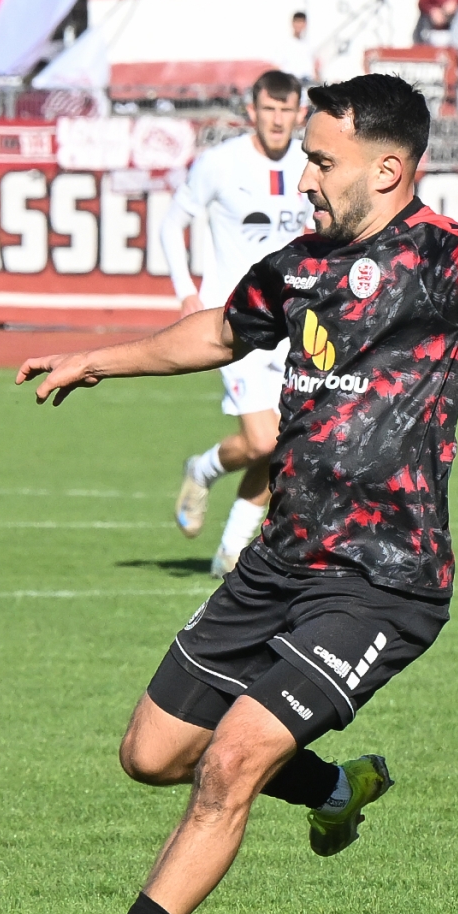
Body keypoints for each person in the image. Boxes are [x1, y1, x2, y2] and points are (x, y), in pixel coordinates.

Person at [0, 73, 458, 914]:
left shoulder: (446, 260)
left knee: (229, 763)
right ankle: (336, 787)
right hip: (279, 561)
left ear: (388, 168)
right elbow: (222, 329)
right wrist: (97, 357)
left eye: (321, 160)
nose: (302, 175)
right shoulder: (300, 264)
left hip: (382, 581)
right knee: (152, 753)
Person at [162, 71, 308, 573]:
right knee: (263, 440)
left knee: (284, 447)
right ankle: (201, 471)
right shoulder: (220, 164)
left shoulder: (312, 168)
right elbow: (170, 223)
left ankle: (229, 554)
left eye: (286, 111)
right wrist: (185, 291)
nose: (277, 120)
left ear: (299, 114)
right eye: (269, 110)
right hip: (238, 321)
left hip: (294, 323)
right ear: (252, 111)